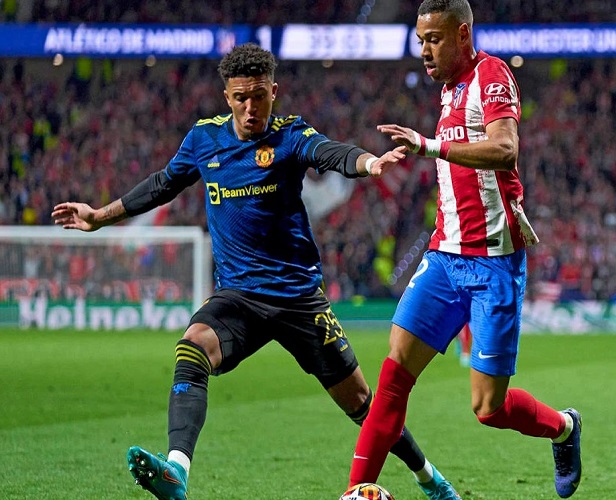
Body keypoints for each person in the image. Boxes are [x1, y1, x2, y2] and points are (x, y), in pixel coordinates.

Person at [51, 43, 460, 500]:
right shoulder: (204, 139)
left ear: (274, 92)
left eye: (260, 96)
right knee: (192, 347)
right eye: (241, 98)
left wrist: (368, 162)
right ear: (226, 97)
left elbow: (331, 153)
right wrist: (99, 216)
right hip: (239, 297)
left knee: (362, 403)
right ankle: (177, 470)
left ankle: (431, 480)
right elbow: (163, 184)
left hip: (299, 298)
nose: (251, 108)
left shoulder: (290, 135)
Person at [346, 1, 582, 498]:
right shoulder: (449, 90)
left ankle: (564, 427)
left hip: (494, 265)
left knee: (488, 408)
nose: (424, 50)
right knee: (393, 375)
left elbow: (505, 150)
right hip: (444, 257)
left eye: (434, 39)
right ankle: (356, 491)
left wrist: (430, 146)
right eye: (420, 41)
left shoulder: (491, 75)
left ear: (462, 34)